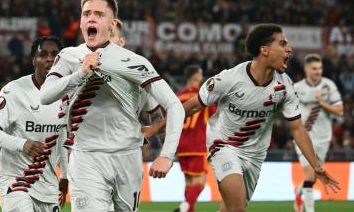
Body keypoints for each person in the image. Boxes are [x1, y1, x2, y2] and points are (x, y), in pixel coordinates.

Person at [147, 24, 340, 212]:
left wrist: (316, 166)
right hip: (223, 146)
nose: (289, 49)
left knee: (230, 208)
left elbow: (297, 128)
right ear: (264, 50)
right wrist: (157, 127)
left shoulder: (285, 86)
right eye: (282, 44)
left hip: (256, 154)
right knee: (238, 208)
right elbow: (192, 105)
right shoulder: (229, 79)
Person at [40, 0, 185, 212]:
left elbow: (174, 105)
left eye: (99, 14)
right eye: (86, 14)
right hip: (85, 158)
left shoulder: (135, 62)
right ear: (80, 22)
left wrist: (166, 155)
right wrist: (81, 73)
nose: (91, 19)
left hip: (127, 158)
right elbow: (45, 95)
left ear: (112, 23)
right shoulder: (68, 56)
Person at [0, 36, 69, 212]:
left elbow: (61, 138)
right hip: (15, 180)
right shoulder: (14, 91)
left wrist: (65, 176)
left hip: (48, 183)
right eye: (43, 54)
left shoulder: (66, 95)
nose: (50, 59)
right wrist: (23, 144)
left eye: (55, 55)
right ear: (34, 61)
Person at [293, 54, 343, 212]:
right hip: (304, 138)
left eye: (320, 68)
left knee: (313, 177)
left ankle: (299, 190)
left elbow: (340, 111)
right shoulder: (296, 88)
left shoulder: (329, 86)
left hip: (323, 139)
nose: (318, 71)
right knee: (309, 175)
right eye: (314, 68)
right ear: (306, 69)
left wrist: (323, 103)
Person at [173, 65, 217, 212]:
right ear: (196, 77)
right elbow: (215, 117)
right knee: (200, 182)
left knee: (189, 182)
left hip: (181, 146)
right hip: (197, 145)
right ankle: (185, 206)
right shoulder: (202, 96)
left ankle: (187, 208)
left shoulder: (177, 96)